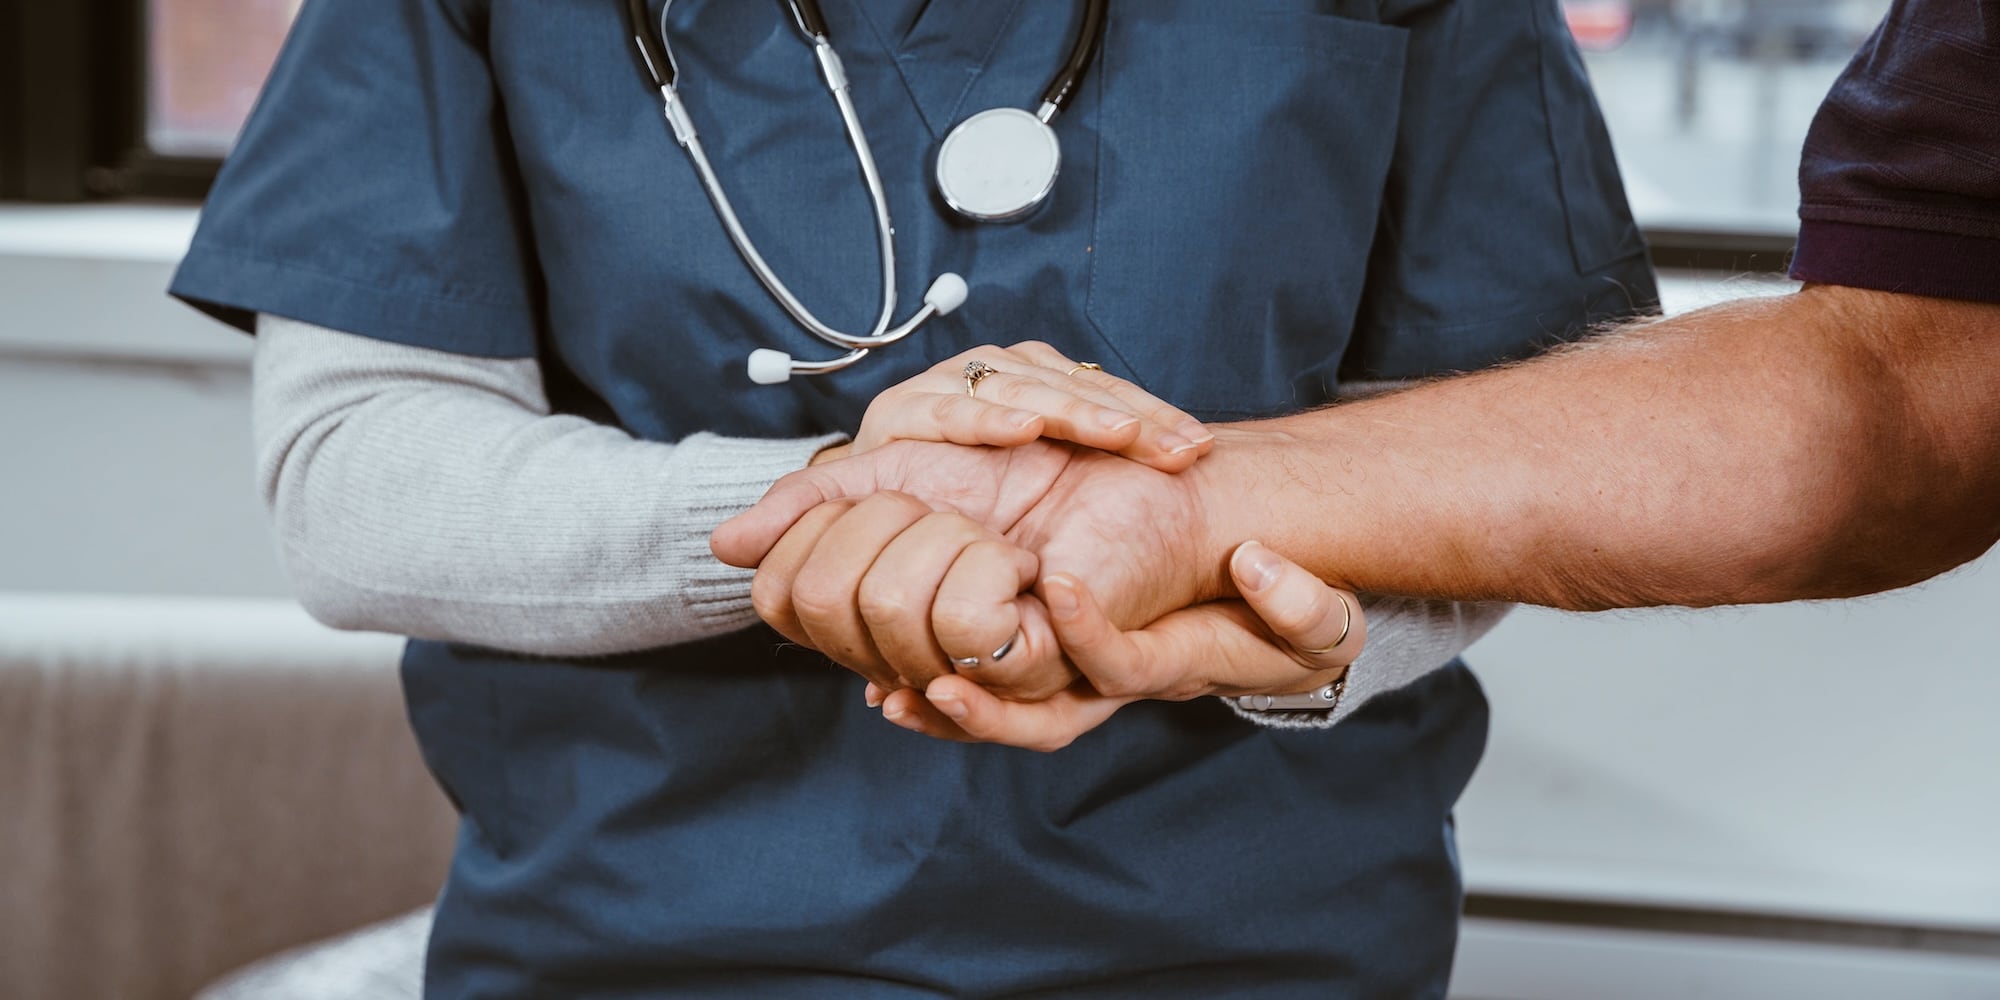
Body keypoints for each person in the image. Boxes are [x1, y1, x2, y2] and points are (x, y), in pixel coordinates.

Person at [171, 0, 1651, 994]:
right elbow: (351, 468)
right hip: (638, 943)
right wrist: (823, 507)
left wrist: (1239, 613)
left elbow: (1498, 466)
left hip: (1252, 940)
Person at [718, 0, 2000, 752]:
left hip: (1248, 906)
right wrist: (829, 501)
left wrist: (1217, 540)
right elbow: (1901, 384)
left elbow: (1891, 404)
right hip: (602, 891)